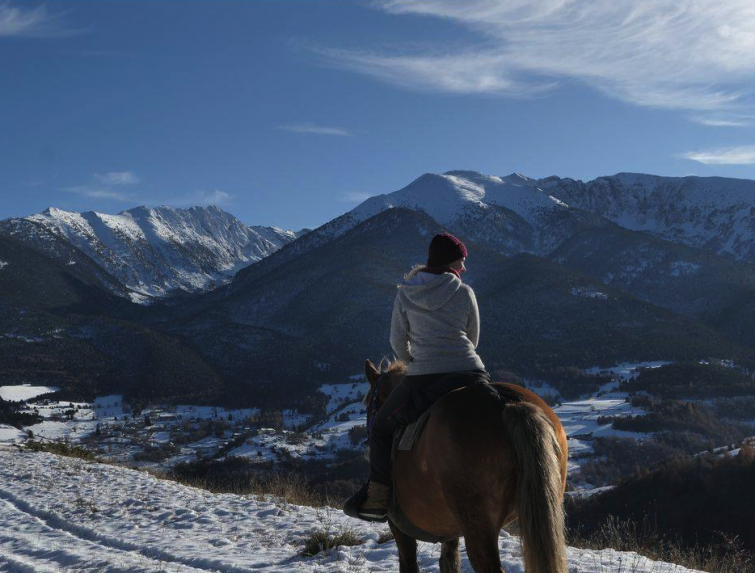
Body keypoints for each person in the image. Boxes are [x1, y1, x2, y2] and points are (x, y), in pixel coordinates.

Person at [347, 232, 490, 522]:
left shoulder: (406, 293)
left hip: (423, 375)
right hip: (471, 371)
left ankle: (377, 498)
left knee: (381, 430)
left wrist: (415, 360)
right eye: (460, 262)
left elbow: (397, 341)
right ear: (450, 263)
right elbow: (472, 338)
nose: (463, 269)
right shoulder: (465, 292)